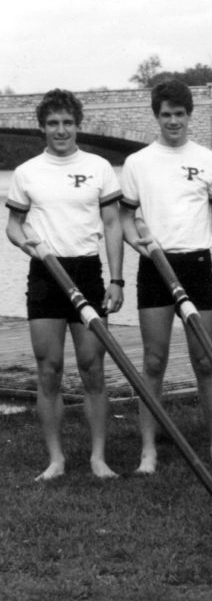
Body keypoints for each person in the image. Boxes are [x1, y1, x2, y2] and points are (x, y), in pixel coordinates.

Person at [5, 89, 124, 480]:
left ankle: (98, 458)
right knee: (49, 369)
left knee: (93, 368)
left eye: (67, 123)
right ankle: (55, 459)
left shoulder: (99, 167)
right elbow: (13, 226)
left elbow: (111, 225)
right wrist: (29, 246)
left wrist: (117, 279)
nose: (61, 130)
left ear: (78, 125)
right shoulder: (27, 173)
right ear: (42, 127)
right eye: (53, 123)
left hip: (87, 273)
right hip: (45, 275)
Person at [120, 80, 212, 474]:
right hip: (154, 266)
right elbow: (124, 218)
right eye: (165, 114)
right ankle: (148, 451)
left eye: (179, 114)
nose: (173, 121)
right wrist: (141, 245)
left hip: (198, 266)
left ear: (189, 115)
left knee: (205, 362)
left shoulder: (209, 159)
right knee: (154, 361)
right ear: (156, 116)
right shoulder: (137, 163)